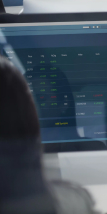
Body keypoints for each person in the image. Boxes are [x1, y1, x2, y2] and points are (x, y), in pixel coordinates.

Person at [0, 56, 97, 213]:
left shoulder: (92, 150)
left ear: (63, 104)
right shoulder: (72, 200)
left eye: (41, 98)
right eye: (32, 98)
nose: (36, 106)